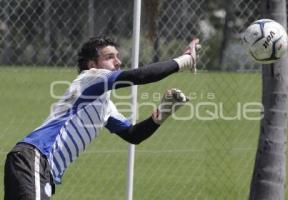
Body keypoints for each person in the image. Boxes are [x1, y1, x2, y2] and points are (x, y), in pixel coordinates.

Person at [4, 36, 200, 200]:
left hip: (41, 168)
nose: (118, 62)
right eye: (110, 57)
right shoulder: (90, 78)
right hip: (35, 157)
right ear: (92, 64)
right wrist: (184, 60)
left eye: (117, 57)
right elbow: (139, 76)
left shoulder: (105, 105)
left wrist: (164, 110)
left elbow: (133, 135)